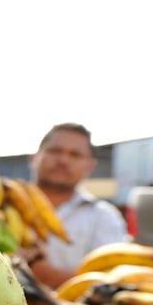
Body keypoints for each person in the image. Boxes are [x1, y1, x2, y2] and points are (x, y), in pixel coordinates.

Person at [18, 122, 129, 288]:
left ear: (89, 166)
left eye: (75, 155)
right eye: (55, 151)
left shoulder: (104, 217)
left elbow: (112, 282)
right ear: (33, 157)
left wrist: (45, 274)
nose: (63, 160)